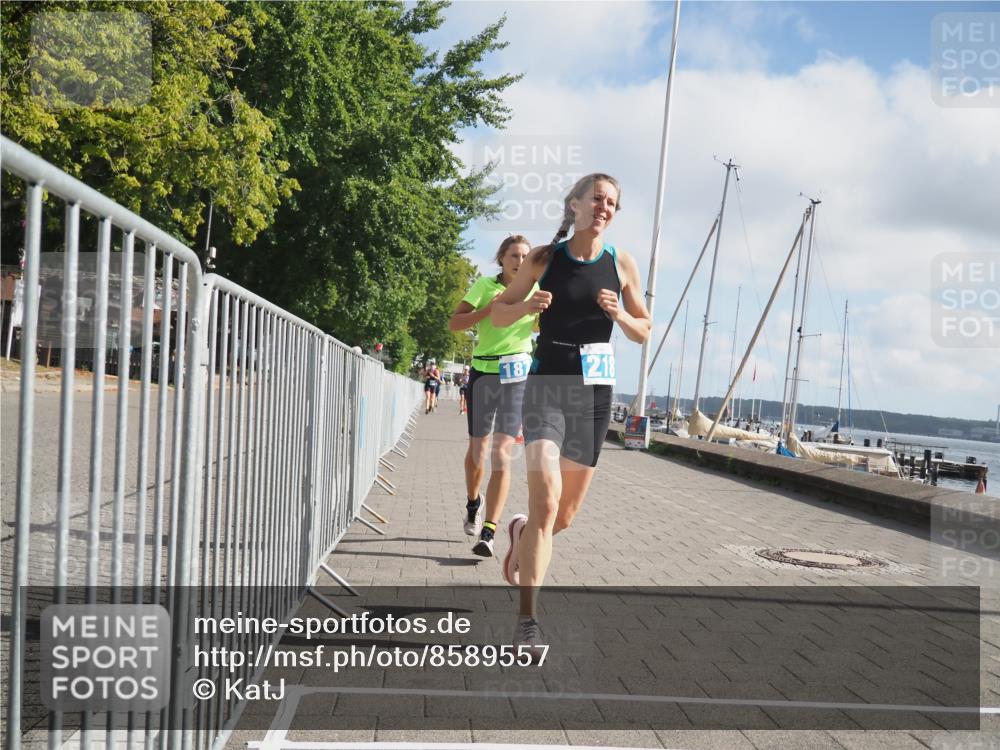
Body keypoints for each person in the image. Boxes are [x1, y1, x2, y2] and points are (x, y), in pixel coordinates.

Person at [490, 174, 651, 649]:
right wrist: (524, 309)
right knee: (546, 502)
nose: (604, 207)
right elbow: (498, 312)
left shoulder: (620, 263)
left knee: (562, 516)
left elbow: (644, 330)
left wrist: (619, 315)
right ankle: (527, 623)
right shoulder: (544, 258)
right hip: (546, 386)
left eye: (612, 203)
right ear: (575, 204)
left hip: (594, 394)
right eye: (597, 199)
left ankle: (519, 533)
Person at [448, 235, 537, 557]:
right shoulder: (485, 285)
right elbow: (455, 323)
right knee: (478, 450)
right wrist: (490, 309)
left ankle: (490, 530)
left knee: (502, 452)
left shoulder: (535, 291)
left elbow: (545, 328)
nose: (520, 261)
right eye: (514, 255)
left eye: (526, 256)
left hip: (517, 376)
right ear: (501, 258)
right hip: (484, 374)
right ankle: (474, 502)